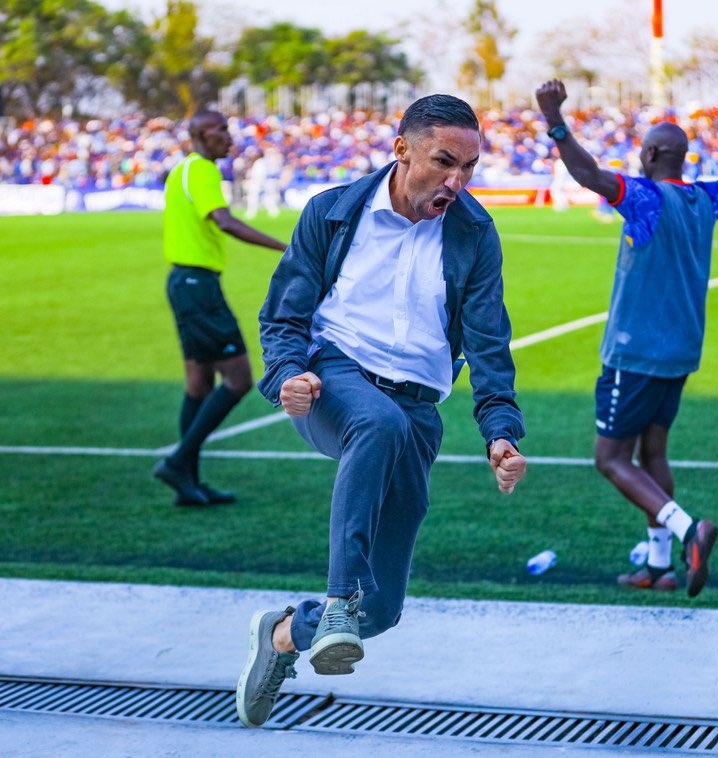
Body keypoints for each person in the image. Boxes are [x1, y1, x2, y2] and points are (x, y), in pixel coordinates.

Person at [235, 94, 528, 729]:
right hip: (334, 381)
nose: (456, 181)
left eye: (469, 168)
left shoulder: (475, 232)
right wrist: (287, 375)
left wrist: (499, 433)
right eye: (443, 162)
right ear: (402, 150)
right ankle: (337, 601)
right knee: (378, 422)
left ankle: (285, 634)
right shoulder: (332, 213)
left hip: (417, 409)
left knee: (386, 608)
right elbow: (283, 315)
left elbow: (488, 341)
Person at [534, 78, 718, 597]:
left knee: (610, 458)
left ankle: (690, 531)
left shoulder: (642, 198)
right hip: (681, 352)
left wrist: (554, 119)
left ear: (657, 152)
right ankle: (661, 568)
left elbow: (588, 173)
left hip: (635, 351)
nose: (638, 156)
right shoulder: (706, 199)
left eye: (643, 149)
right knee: (653, 453)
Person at [155, 110, 288, 506]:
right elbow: (225, 222)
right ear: (197, 133)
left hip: (186, 283)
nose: (228, 137)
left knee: (199, 384)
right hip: (198, 285)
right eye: (220, 130)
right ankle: (179, 462)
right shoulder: (202, 171)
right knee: (239, 378)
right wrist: (286, 248)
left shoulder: (184, 170)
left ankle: (188, 482)